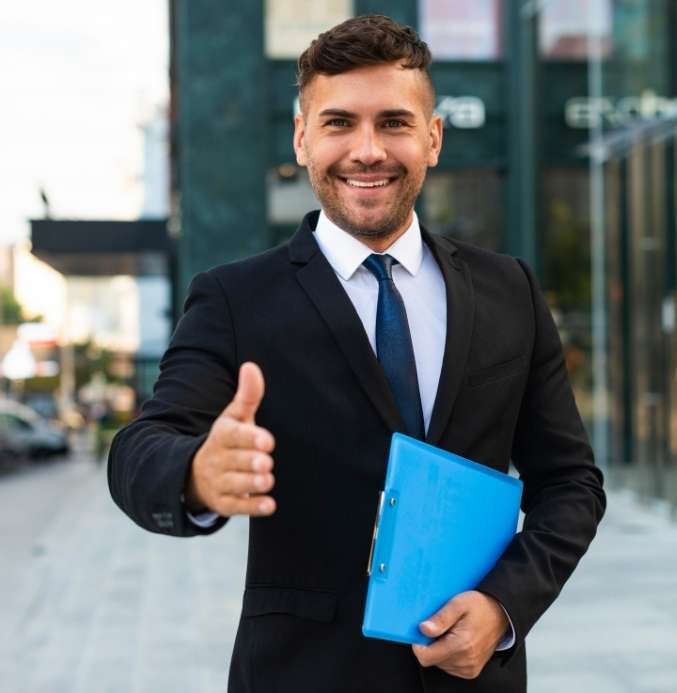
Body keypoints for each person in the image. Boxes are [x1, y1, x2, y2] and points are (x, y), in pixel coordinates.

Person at [108, 15, 605, 693]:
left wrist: (503, 606)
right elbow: (140, 447)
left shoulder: (507, 289)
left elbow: (571, 482)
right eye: (339, 122)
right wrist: (195, 471)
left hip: (471, 677)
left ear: (432, 139)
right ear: (301, 137)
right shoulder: (233, 298)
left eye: (394, 123)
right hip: (303, 674)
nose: (366, 150)